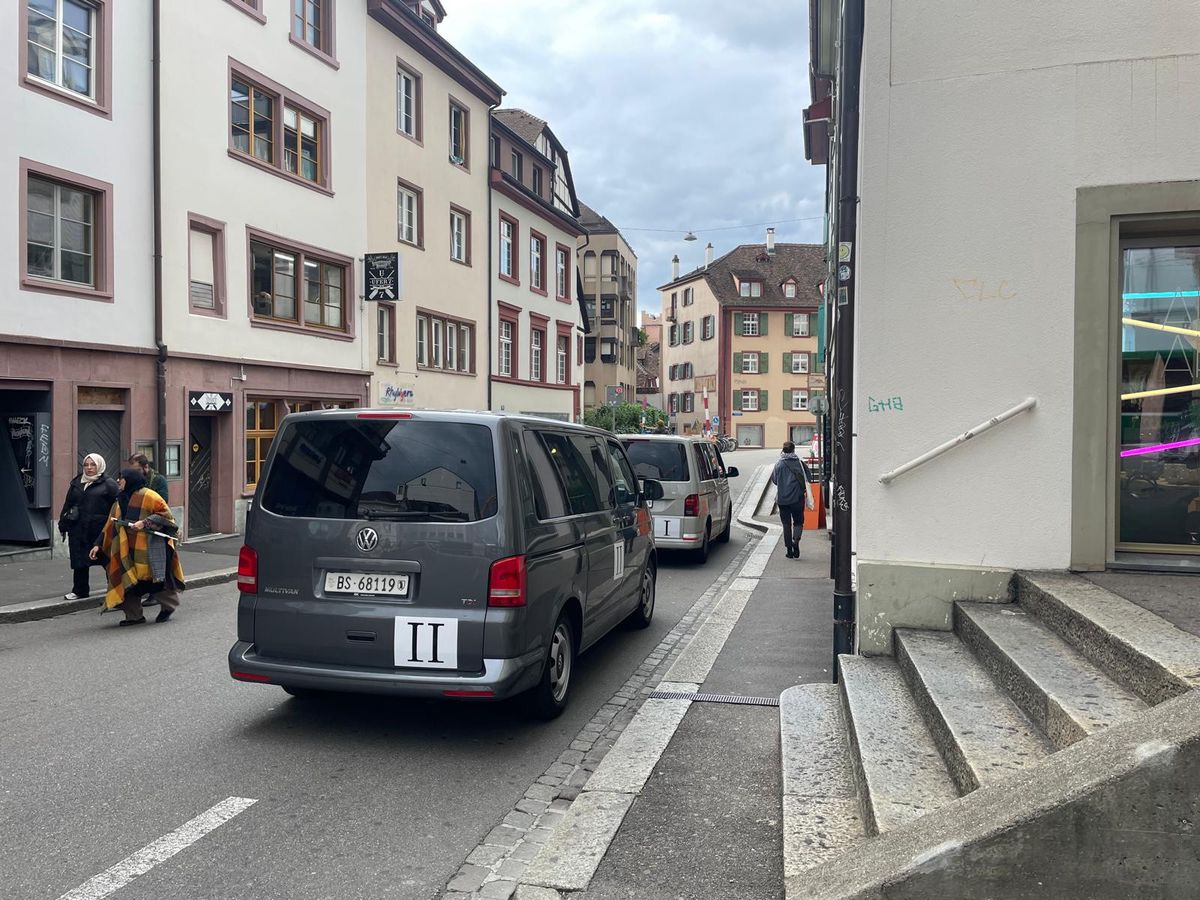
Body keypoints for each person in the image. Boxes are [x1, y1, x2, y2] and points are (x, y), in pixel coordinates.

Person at [90, 467, 185, 626]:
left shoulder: (149, 496)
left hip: (149, 549)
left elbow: (167, 517)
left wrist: (145, 522)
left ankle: (169, 607)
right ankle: (134, 616)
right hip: (126, 549)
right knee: (128, 581)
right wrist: (98, 544)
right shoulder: (119, 500)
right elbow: (110, 524)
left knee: (157, 582)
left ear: (130, 480)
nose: (119, 481)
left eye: (122, 478)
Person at [58, 453, 119, 601]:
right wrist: (63, 522)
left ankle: (114, 590)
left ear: (100, 466)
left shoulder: (108, 484)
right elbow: (68, 503)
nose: (89, 468)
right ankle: (80, 590)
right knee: (79, 560)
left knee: (107, 560)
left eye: (93, 465)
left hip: (99, 529)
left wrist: (113, 524)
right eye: (86, 465)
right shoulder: (77, 482)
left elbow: (117, 505)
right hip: (78, 528)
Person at [772, 441, 813, 559]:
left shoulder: (778, 464)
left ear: (783, 450)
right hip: (797, 499)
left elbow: (774, 480)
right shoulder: (800, 464)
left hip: (782, 500)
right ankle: (796, 542)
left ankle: (789, 550)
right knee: (798, 522)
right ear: (794, 450)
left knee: (786, 524)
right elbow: (808, 479)